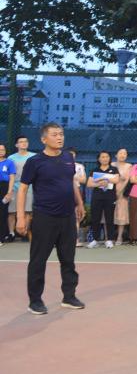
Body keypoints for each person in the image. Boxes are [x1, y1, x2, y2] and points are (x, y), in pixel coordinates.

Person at [17, 123, 85, 315]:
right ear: (44, 139)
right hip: (44, 217)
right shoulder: (35, 161)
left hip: (67, 217)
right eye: (54, 134)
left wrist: (79, 203)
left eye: (61, 134)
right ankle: (35, 301)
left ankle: (69, 297)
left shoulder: (68, 158)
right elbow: (23, 189)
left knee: (68, 259)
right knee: (38, 260)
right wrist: (21, 217)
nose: (59, 137)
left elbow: (71, 182)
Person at [86, 151, 119, 248]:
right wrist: (99, 183)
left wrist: (104, 179)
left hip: (110, 197)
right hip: (97, 197)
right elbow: (89, 184)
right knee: (95, 218)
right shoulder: (94, 170)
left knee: (109, 218)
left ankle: (109, 240)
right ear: (99, 159)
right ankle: (95, 240)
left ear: (109, 158)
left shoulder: (114, 169)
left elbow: (116, 180)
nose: (105, 158)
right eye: (103, 157)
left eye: (107, 156)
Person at [7, 135, 35, 241]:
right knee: (12, 212)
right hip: (14, 187)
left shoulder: (34, 156)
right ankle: (11, 233)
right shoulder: (11, 158)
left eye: (26, 141)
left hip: (29, 187)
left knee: (27, 211)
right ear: (16, 145)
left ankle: (24, 233)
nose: (24, 143)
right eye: (21, 141)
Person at [112, 148, 132, 245]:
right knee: (109, 214)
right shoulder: (111, 164)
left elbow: (127, 180)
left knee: (121, 214)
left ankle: (119, 237)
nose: (122, 155)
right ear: (116, 155)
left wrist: (120, 191)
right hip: (110, 191)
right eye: (120, 153)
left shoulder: (129, 166)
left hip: (122, 193)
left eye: (125, 153)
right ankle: (108, 237)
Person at [0, 144, 16, 243]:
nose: (1, 151)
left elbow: (12, 177)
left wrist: (9, 192)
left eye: (3, 149)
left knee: (2, 212)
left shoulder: (9, 162)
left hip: (4, 188)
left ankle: (1, 237)